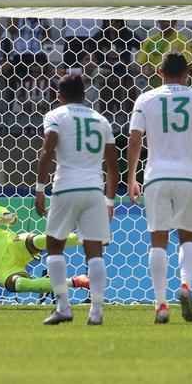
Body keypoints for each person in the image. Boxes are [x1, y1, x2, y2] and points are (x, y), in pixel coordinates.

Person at [126, 52, 192, 324]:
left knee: (158, 239)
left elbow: (135, 139)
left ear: (159, 72)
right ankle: (186, 285)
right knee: (187, 237)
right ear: (188, 73)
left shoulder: (146, 99)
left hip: (156, 176)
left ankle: (161, 305)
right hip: (188, 175)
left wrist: (132, 176)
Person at [33, 72, 117, 325]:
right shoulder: (101, 120)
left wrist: (39, 188)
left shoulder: (55, 116)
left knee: (54, 245)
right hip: (94, 190)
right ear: (85, 94)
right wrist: (109, 201)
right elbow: (113, 165)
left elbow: (48, 150)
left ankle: (63, 307)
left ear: (59, 96)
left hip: (66, 187)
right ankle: (97, 311)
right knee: (94, 252)